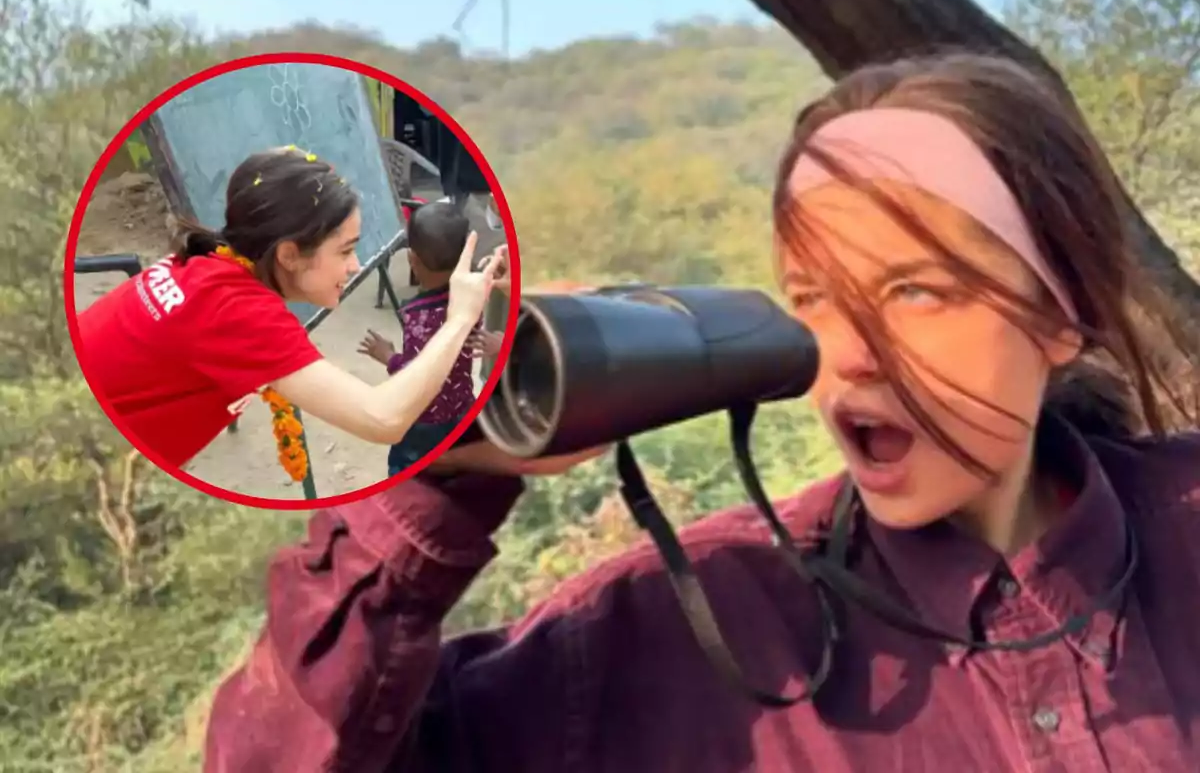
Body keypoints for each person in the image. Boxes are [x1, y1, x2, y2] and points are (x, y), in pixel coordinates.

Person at [203, 53, 1200, 773]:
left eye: (915, 291)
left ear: (1064, 312)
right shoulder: (673, 631)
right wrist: (438, 476)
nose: (844, 357)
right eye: (811, 297)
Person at [76, 145, 504, 474]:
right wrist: (461, 316)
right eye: (346, 250)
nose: (355, 265)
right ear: (289, 254)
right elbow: (385, 418)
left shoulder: (203, 263)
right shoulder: (242, 314)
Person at [357, 201, 506, 477]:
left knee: (408, 469)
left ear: (412, 259)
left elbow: (418, 374)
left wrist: (388, 356)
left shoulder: (420, 318)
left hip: (426, 420)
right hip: (463, 405)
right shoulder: (474, 292)